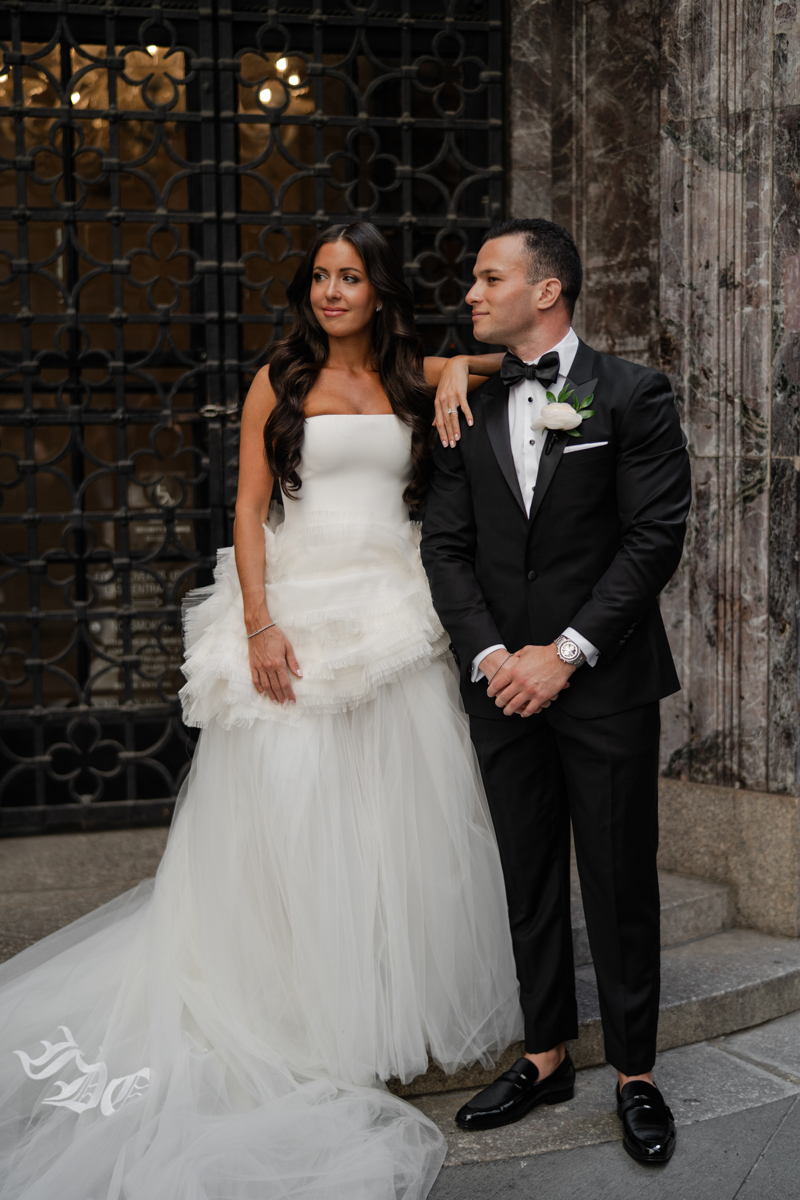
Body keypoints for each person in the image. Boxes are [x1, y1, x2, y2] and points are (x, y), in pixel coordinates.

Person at [0, 222, 519, 1199]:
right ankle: (292, 1006)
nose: (331, 292)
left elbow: (522, 358)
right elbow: (244, 508)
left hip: (393, 611)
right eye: (320, 277)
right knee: (290, 813)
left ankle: (375, 1004)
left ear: (377, 291)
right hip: (297, 606)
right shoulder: (277, 382)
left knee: (391, 815)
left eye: (349, 277)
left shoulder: (413, 370)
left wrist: (457, 373)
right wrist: (257, 623)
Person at [421, 218, 692, 1166]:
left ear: (548, 290)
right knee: (527, 875)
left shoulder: (633, 394)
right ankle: (545, 1055)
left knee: (618, 880)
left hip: (604, 681)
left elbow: (653, 537)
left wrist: (564, 653)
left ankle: (635, 1072)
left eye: (489, 278)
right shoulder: (468, 405)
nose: (470, 293)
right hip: (501, 686)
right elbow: (446, 546)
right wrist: (496, 657)